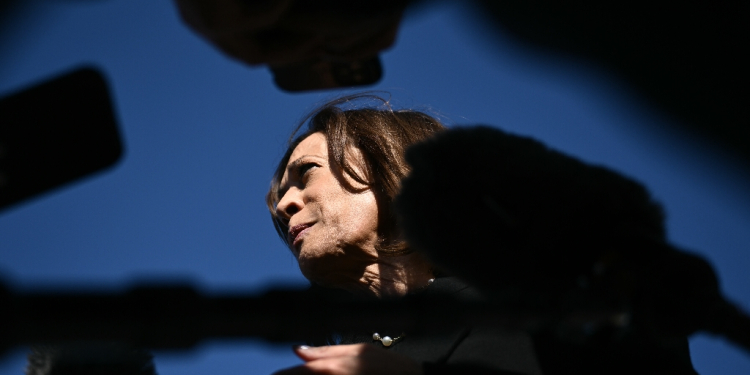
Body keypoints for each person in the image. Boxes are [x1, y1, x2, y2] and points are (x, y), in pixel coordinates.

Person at [265, 94, 544, 375]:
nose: (284, 206)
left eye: (307, 171)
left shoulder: (527, 310)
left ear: (391, 163)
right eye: (283, 193)